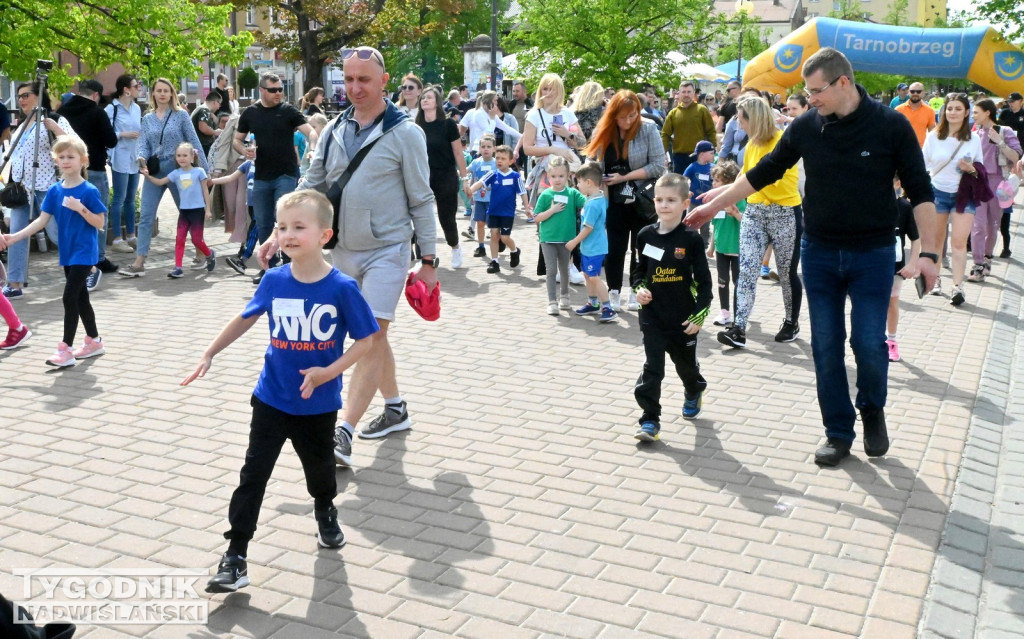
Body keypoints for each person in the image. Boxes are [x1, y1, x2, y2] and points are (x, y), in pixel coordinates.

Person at [687, 47, 938, 467]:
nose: (810, 98)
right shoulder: (807, 125)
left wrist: (928, 253)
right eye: (808, 91)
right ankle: (838, 432)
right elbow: (766, 169)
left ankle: (872, 409)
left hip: (873, 253)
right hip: (819, 251)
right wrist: (716, 204)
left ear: (843, 83)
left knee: (868, 343)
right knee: (826, 344)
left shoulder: (890, 126)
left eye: (816, 90)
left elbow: (921, 191)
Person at [182, 190, 379, 594]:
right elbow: (245, 317)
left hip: (317, 405)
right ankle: (235, 556)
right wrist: (209, 352)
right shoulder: (274, 280)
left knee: (320, 473)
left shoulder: (342, 288)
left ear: (325, 235)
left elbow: (366, 342)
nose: (288, 235)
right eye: (282, 227)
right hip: (271, 399)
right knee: (252, 476)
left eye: (298, 228)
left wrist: (328, 372)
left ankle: (325, 510)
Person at [272, 45, 437, 461]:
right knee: (373, 339)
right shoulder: (333, 128)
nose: (355, 87)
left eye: (364, 79)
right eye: (348, 79)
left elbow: (422, 198)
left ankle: (341, 431)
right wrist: (280, 230)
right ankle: (395, 407)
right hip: (343, 248)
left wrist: (430, 260)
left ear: (384, 81)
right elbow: (312, 183)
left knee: (370, 334)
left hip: (388, 249)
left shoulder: (405, 132)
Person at [1, 136, 107, 367]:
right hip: (67, 253)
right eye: (61, 157)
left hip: (84, 252)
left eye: (71, 157)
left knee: (69, 297)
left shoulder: (88, 191)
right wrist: (14, 237)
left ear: (83, 160)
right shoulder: (54, 191)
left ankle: (65, 350)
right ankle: (94, 341)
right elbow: (41, 221)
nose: (66, 161)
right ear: (56, 161)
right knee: (81, 298)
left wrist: (81, 209)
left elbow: (100, 223)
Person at [716, 96, 804, 349]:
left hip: (785, 213)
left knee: (787, 272)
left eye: (740, 118)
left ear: (752, 118)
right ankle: (738, 328)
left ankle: (791, 322)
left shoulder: (781, 142)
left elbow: (763, 177)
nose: (738, 124)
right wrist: (720, 195)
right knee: (747, 271)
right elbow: (744, 174)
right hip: (755, 212)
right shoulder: (751, 142)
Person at [632, 172, 712, 442]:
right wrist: (639, 290)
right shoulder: (645, 235)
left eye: (670, 200)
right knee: (653, 367)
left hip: (682, 318)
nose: (663, 205)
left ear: (685, 203)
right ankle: (650, 420)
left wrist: (699, 316)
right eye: (659, 199)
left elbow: (704, 283)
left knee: (685, 366)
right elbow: (638, 272)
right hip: (652, 317)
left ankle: (694, 388)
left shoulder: (691, 239)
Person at [120, 77, 211, 278]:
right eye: (158, 90)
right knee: (146, 215)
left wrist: (206, 170)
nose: (162, 94)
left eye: (166, 91)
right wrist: (141, 156)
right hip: (155, 169)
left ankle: (200, 252)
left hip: (179, 168)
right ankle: (139, 261)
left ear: (171, 94)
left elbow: (194, 141)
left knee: (189, 212)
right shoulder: (147, 118)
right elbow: (143, 143)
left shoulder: (181, 116)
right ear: (153, 93)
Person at [585, 90, 666, 312]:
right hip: (612, 200)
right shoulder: (603, 131)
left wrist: (626, 176)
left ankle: (636, 289)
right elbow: (591, 162)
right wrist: (596, 179)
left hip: (642, 198)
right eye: (623, 117)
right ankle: (613, 290)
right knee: (613, 246)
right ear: (613, 114)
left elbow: (659, 165)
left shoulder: (648, 128)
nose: (629, 121)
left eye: (633, 115)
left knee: (641, 246)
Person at [234, 73, 318, 282]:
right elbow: (237, 140)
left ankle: (290, 268)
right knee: (262, 223)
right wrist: (244, 151)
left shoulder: (288, 111)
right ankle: (269, 269)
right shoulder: (251, 113)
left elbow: (312, 132)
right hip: (261, 176)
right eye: (273, 90)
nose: (278, 93)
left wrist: (313, 148)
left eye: (280, 89)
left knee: (284, 220)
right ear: (262, 90)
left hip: (286, 174)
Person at [3, 82, 75, 299]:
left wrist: (55, 128)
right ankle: (14, 283)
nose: (22, 100)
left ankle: (87, 268)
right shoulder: (22, 125)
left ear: (39, 95)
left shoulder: (54, 118)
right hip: (21, 189)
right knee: (15, 235)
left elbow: (75, 144)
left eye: (26, 95)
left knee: (57, 232)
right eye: (19, 96)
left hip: (47, 186)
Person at [57, 79, 120, 290]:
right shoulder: (97, 112)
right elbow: (111, 140)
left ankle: (77, 258)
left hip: (69, 171)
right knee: (99, 214)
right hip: (95, 169)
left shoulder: (63, 110)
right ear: (95, 95)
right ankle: (98, 258)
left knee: (73, 215)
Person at [922, 93, 982, 305]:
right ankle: (936, 280)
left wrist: (971, 168)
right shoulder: (934, 137)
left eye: (958, 109)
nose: (953, 112)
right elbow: (923, 165)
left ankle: (958, 287)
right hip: (937, 193)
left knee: (958, 243)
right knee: (937, 242)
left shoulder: (973, 139)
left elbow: (980, 170)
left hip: (964, 196)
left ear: (966, 112)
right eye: (949, 108)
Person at [140, 142, 215, 278]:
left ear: (192, 157)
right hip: (184, 212)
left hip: (197, 211)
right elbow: (160, 182)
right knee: (179, 239)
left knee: (197, 240)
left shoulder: (199, 172)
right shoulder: (175, 173)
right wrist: (147, 176)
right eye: (178, 155)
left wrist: (208, 209)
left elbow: (205, 190)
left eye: (185, 155)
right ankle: (178, 267)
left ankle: (209, 254)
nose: (181, 158)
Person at [416, 86, 470, 268]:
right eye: (423, 97)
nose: (425, 100)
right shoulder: (416, 126)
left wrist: (465, 179)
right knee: (421, 217)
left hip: (445, 175)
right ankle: (424, 258)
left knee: (446, 217)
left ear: (437, 102)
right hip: (422, 176)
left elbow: (458, 153)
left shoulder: (448, 125)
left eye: (429, 97)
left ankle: (455, 246)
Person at [969, 98, 1020, 281]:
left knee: (993, 225)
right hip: (978, 181)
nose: (973, 116)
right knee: (978, 225)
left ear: (987, 113)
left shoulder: (1004, 131)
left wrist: (1000, 142)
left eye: (976, 112)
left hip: (999, 183)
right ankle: (977, 264)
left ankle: (988, 258)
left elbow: (1016, 156)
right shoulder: (974, 132)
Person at [521, 73, 585, 207]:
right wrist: (553, 150)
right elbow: (527, 148)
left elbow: (582, 144)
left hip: (568, 169)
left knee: (568, 209)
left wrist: (567, 134)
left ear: (559, 91)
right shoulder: (534, 115)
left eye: (552, 89)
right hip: (546, 170)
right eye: (545, 89)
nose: (548, 93)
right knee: (546, 207)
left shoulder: (567, 113)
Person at [533, 157, 586, 314]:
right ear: (548, 176)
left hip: (566, 240)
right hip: (547, 239)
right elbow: (536, 218)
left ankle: (565, 297)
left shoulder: (572, 193)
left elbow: (587, 202)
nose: (557, 180)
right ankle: (552, 301)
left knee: (564, 270)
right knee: (551, 270)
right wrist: (551, 210)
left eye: (561, 176)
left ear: (568, 175)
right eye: (554, 176)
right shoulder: (545, 195)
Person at [565, 162, 615, 323]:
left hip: (594, 247)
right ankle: (593, 303)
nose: (577, 185)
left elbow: (588, 228)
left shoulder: (593, 204)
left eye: (578, 182)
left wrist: (574, 242)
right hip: (590, 247)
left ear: (588, 183)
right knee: (587, 275)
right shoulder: (597, 197)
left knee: (593, 277)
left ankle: (607, 307)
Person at [468, 144, 530, 273]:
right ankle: (494, 262)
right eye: (497, 158)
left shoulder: (515, 176)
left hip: (507, 212)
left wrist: (527, 207)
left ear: (511, 161)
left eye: (503, 158)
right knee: (495, 236)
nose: (499, 161)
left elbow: (523, 192)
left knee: (504, 238)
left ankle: (514, 250)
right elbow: (480, 183)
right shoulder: (492, 174)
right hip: (493, 211)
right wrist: (470, 190)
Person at [105, 74, 143, 254]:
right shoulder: (112, 109)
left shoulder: (136, 108)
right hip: (119, 156)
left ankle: (131, 235)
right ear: (126, 89)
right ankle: (117, 239)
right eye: (136, 86)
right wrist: (123, 134)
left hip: (134, 157)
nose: (139, 88)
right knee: (119, 198)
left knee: (130, 198)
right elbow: (106, 133)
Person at [706, 161, 743, 327]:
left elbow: (747, 223)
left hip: (737, 250)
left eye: (717, 181)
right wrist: (711, 247)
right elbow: (716, 225)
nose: (713, 184)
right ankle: (724, 312)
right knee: (722, 281)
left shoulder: (741, 199)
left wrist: (735, 213)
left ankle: (740, 313)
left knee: (738, 282)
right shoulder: (717, 202)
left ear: (729, 182)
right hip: (721, 249)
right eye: (713, 180)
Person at [887, 177, 921, 362]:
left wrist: (912, 264)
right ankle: (873, 340)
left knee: (892, 302)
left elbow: (916, 238)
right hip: (871, 266)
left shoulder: (904, 207)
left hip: (896, 268)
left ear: (898, 184)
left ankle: (891, 341)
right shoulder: (867, 202)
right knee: (872, 303)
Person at [211, 157, 258, 275]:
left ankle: (242, 261)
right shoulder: (247, 164)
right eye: (249, 146)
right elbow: (230, 177)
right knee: (259, 233)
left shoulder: (269, 162)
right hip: (251, 205)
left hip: (263, 205)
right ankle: (275, 260)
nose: (251, 149)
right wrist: (212, 181)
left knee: (253, 233)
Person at [661, 81, 716, 176]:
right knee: (680, 187)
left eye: (689, 91)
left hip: (699, 156)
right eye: (683, 92)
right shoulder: (673, 113)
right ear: (679, 93)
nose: (686, 94)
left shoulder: (702, 110)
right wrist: (663, 153)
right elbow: (665, 134)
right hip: (679, 157)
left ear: (693, 93)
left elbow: (711, 131)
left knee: (700, 186)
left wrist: (712, 151)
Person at [464, 134, 498, 256]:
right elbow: (465, 171)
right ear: (479, 148)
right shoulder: (476, 162)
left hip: (494, 200)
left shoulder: (497, 163)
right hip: (479, 198)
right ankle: (481, 246)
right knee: (480, 223)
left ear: (494, 149)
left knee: (493, 225)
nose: (486, 149)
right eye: (483, 146)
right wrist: (454, 172)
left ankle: (499, 243)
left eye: (489, 146)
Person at [459, 90, 519, 155]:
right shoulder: (479, 113)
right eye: (495, 100)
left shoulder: (491, 114)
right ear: (489, 101)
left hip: (488, 150)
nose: (497, 103)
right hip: (478, 150)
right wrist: (492, 119)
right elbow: (488, 133)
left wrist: (522, 136)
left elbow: (506, 128)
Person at [683, 140, 715, 246]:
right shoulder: (693, 166)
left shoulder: (713, 167)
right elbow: (685, 179)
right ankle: (692, 242)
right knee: (691, 222)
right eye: (711, 153)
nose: (713, 155)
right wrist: (687, 190)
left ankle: (704, 243)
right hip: (693, 201)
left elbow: (716, 182)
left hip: (707, 201)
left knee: (705, 224)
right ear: (702, 154)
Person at [894, 82, 936, 147]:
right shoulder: (898, 109)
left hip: (921, 150)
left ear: (923, 93)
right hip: (901, 149)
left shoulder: (930, 111)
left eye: (918, 91)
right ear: (908, 92)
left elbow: (932, 133)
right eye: (912, 91)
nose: (915, 93)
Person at [191, 92, 223, 157]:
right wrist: (215, 132)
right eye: (219, 104)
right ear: (215, 102)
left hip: (197, 145)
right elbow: (203, 128)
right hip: (202, 146)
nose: (219, 107)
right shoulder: (204, 110)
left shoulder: (200, 108)